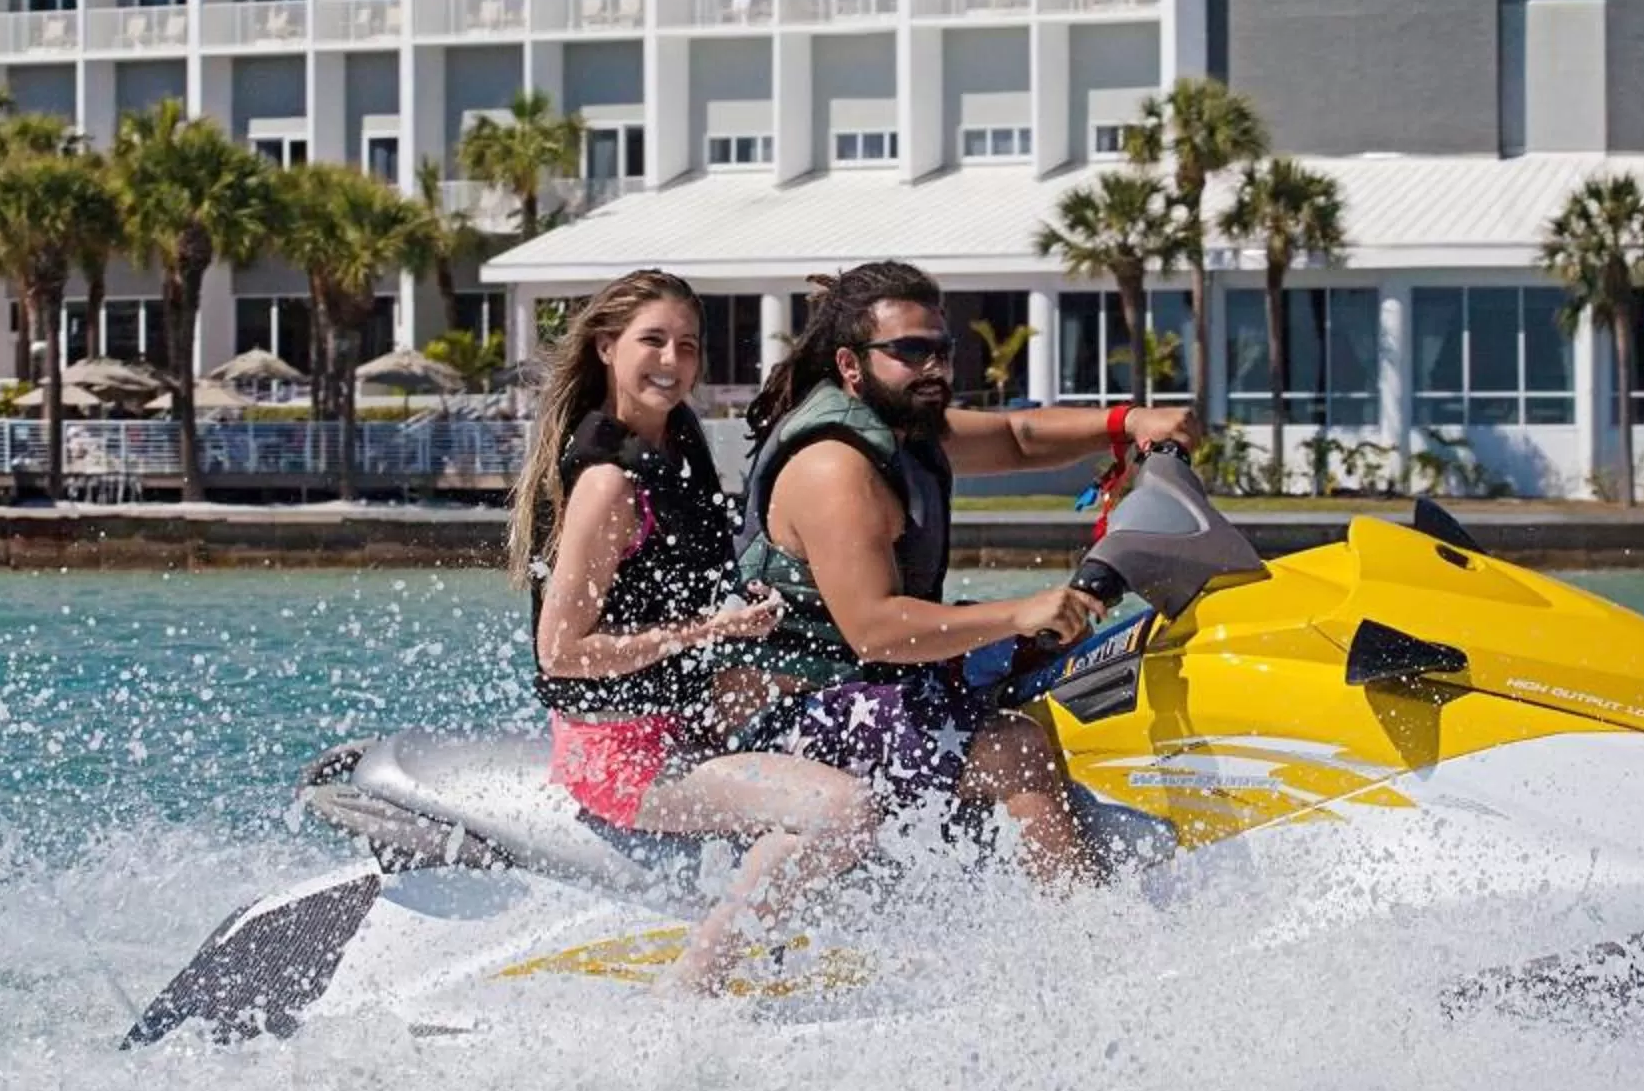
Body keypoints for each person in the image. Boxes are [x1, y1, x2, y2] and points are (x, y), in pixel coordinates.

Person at [735, 260, 1205, 884]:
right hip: (795, 714)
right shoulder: (835, 469)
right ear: (852, 366)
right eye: (909, 351)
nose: (933, 367)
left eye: (942, 349)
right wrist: (1016, 611)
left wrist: (1127, 423)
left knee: (1062, 666)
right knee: (1017, 749)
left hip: (875, 687)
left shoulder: (906, 430)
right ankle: (1082, 939)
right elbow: (873, 628)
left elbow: (1017, 436)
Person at [507, 269, 878, 993]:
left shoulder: (675, 442)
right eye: (652, 342)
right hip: (623, 754)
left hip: (685, 713)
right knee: (845, 811)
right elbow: (560, 653)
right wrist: (700, 631)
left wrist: (841, 325)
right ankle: (695, 990)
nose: (672, 361)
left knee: (857, 688)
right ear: (608, 347)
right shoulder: (609, 484)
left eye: (687, 345)